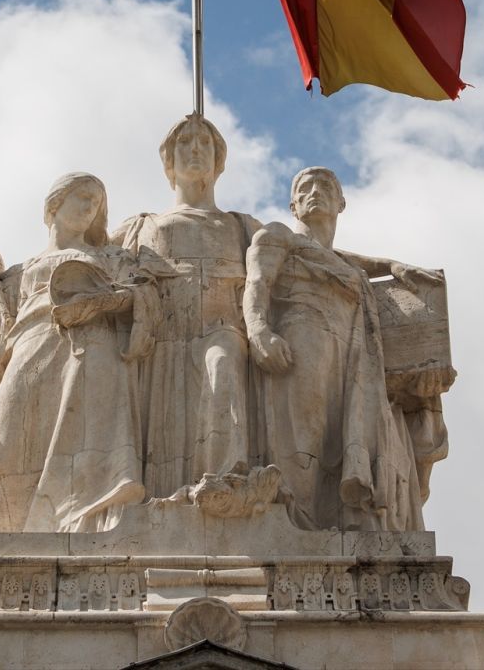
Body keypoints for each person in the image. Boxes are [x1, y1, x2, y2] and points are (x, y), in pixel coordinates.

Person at [0, 172, 157, 533]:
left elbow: (144, 298)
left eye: (96, 202)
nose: (89, 207)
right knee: (14, 453)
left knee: (91, 457)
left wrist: (107, 301)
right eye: (83, 196)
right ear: (54, 204)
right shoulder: (20, 273)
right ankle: (18, 538)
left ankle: (91, 534)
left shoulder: (113, 258)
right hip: (27, 356)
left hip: (92, 355)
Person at [243, 167, 424, 531]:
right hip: (301, 339)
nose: (315, 192)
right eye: (305, 187)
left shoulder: (343, 264)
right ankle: (297, 524)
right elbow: (257, 282)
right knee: (302, 435)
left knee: (339, 439)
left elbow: (338, 257)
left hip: (352, 357)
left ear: (341, 203)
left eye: (325, 186)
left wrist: (389, 265)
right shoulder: (276, 235)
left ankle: (333, 520)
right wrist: (258, 329)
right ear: (293, 206)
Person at [113, 115, 262, 499]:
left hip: (222, 327)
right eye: (185, 141)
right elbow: (90, 258)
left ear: (219, 161)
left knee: (222, 368)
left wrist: (378, 266)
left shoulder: (243, 227)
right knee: (166, 424)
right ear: (168, 161)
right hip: (161, 338)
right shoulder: (142, 226)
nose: (195, 148)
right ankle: (167, 500)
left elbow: (304, 257)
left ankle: (226, 483)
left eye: (205, 142)